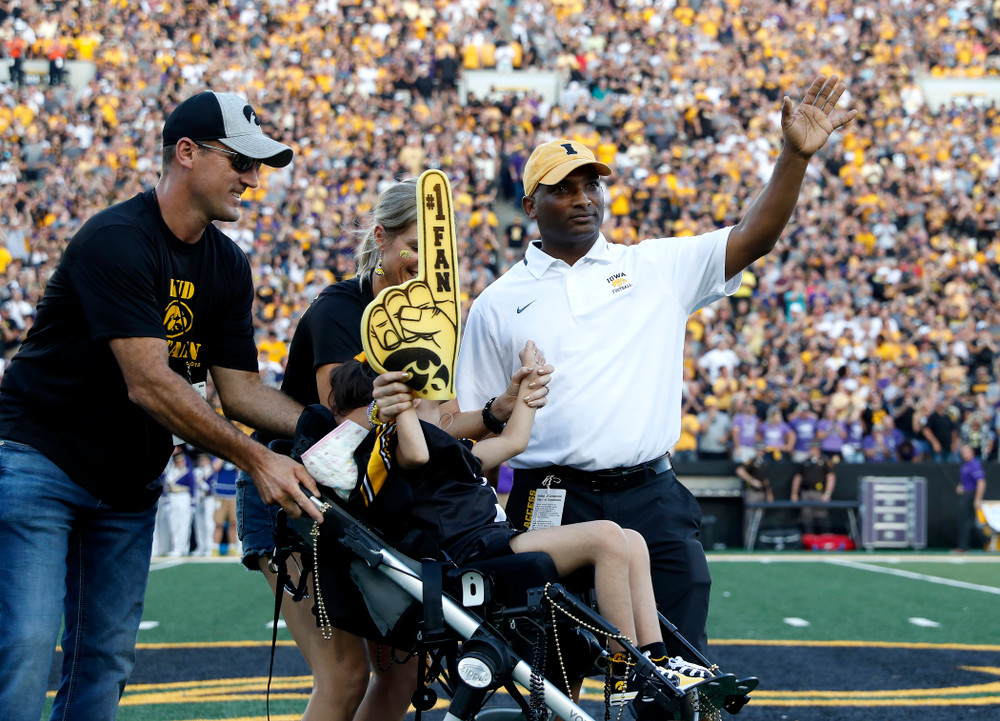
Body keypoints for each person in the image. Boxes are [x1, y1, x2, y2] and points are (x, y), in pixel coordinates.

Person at [456, 74, 856, 657]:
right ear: (530, 206)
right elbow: (474, 423)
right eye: (562, 188)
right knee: (549, 674)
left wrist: (794, 158)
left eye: (591, 185)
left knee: (679, 666)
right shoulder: (496, 302)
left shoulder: (654, 266)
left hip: (651, 493)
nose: (582, 199)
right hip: (550, 498)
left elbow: (754, 238)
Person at [0, 90, 324, 721]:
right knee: (26, 647)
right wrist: (257, 459)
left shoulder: (228, 264)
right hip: (44, 462)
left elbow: (240, 391)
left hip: (128, 482)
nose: (254, 181)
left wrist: (325, 427)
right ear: (187, 153)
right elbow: (148, 382)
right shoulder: (116, 238)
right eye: (241, 162)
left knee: (106, 661)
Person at [237, 178, 553, 721]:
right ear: (380, 238)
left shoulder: (433, 314)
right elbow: (342, 426)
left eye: (436, 254)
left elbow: (440, 425)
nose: (424, 263)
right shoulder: (339, 308)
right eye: (413, 246)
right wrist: (403, 414)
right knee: (344, 675)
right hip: (297, 496)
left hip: (369, 505)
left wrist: (497, 410)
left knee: (401, 675)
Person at [338, 346, 712, 718]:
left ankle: (654, 661)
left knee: (632, 539)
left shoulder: (452, 449)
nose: (446, 395)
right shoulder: (404, 449)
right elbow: (417, 452)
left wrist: (531, 382)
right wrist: (403, 409)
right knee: (609, 538)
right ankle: (626, 670)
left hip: (497, 541)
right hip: (476, 552)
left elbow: (514, 441)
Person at [789, 443, 837, 535]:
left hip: (819, 493)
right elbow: (798, 478)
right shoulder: (805, 462)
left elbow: (831, 477)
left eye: (812, 448)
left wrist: (827, 493)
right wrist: (794, 493)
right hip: (806, 492)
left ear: (817, 449)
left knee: (821, 516)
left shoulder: (825, 461)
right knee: (806, 517)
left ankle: (823, 538)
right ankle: (809, 538)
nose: (810, 451)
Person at [955, 444, 987, 552]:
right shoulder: (965, 465)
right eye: (963, 452)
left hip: (971, 495)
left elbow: (981, 482)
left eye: (966, 452)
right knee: (967, 521)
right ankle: (985, 540)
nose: (964, 454)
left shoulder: (974, 465)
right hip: (965, 494)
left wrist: (977, 499)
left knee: (967, 522)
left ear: (972, 452)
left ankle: (964, 546)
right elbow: (966, 481)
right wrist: (961, 486)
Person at [735, 449, 773, 536]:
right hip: (752, 492)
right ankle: (748, 540)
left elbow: (766, 480)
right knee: (749, 517)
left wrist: (769, 493)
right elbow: (740, 470)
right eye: (759, 450)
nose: (761, 452)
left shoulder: (764, 462)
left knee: (759, 518)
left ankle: (756, 539)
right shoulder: (751, 461)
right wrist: (752, 480)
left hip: (762, 492)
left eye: (762, 450)